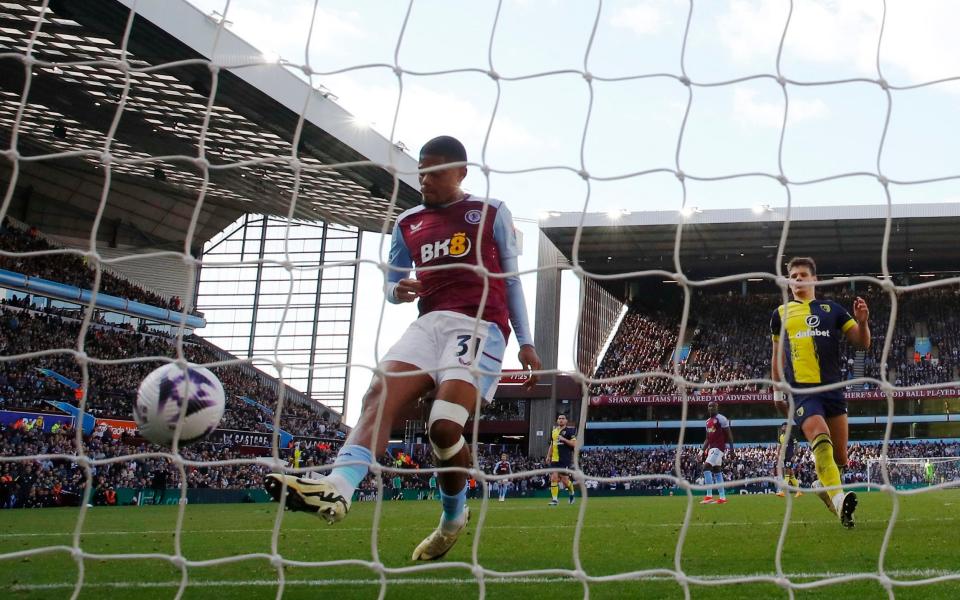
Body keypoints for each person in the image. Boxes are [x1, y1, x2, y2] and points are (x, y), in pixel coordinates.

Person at [264, 135, 541, 561]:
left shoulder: (491, 212)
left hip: (480, 323)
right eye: (420, 173)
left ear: (460, 172)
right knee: (379, 391)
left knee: (444, 427)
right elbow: (392, 285)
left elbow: (512, 279)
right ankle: (337, 489)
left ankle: (453, 516)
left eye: (433, 172)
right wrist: (399, 289)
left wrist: (526, 342)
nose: (424, 181)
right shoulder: (408, 222)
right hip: (428, 324)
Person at [770, 256, 870, 528]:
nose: (797, 279)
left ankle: (822, 488)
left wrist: (862, 322)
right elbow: (777, 354)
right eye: (793, 275)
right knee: (819, 437)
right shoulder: (780, 314)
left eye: (803, 274)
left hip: (833, 392)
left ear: (815, 279)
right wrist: (777, 389)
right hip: (802, 392)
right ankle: (839, 502)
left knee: (840, 459)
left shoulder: (833, 309)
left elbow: (861, 344)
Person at [700, 401, 734, 505]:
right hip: (711, 448)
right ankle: (722, 498)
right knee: (717, 471)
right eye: (709, 406)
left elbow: (729, 434)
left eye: (713, 406)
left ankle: (709, 496)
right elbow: (707, 438)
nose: (711, 408)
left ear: (717, 407)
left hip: (718, 448)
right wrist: (701, 451)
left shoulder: (721, 419)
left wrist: (732, 450)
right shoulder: (707, 422)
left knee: (706, 467)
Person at [547, 414, 577, 506]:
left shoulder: (570, 431)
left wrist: (564, 439)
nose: (561, 420)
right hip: (555, 459)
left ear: (566, 421)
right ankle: (555, 500)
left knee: (565, 481)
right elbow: (552, 444)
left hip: (565, 459)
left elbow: (574, 444)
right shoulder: (554, 431)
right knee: (553, 478)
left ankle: (572, 494)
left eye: (563, 418)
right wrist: (548, 455)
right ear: (557, 421)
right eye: (559, 418)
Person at [775, 422, 802, 498]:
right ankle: (799, 491)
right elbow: (779, 446)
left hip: (790, 456)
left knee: (787, 473)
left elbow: (797, 445)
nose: (785, 428)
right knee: (791, 475)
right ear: (782, 428)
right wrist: (777, 454)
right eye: (784, 427)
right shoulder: (781, 436)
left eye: (787, 427)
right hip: (785, 457)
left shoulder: (790, 435)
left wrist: (794, 455)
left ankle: (783, 491)